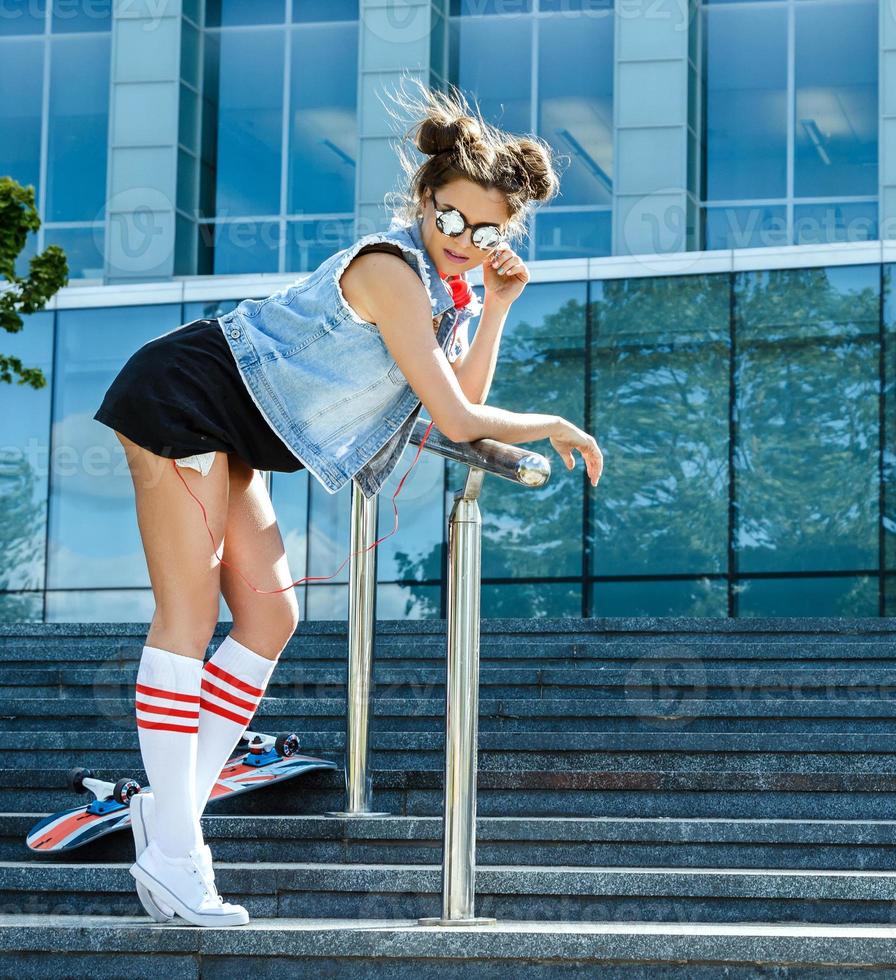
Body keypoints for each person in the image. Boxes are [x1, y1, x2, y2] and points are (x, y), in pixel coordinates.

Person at [91, 77, 603, 927]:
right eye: (451, 219)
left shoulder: (456, 299)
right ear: (425, 199)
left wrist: (501, 306)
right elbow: (455, 415)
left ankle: (166, 813)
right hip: (183, 395)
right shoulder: (390, 270)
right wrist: (550, 421)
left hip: (240, 428)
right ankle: (178, 850)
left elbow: (461, 400)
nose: (465, 242)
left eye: (487, 233)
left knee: (271, 619)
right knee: (186, 614)